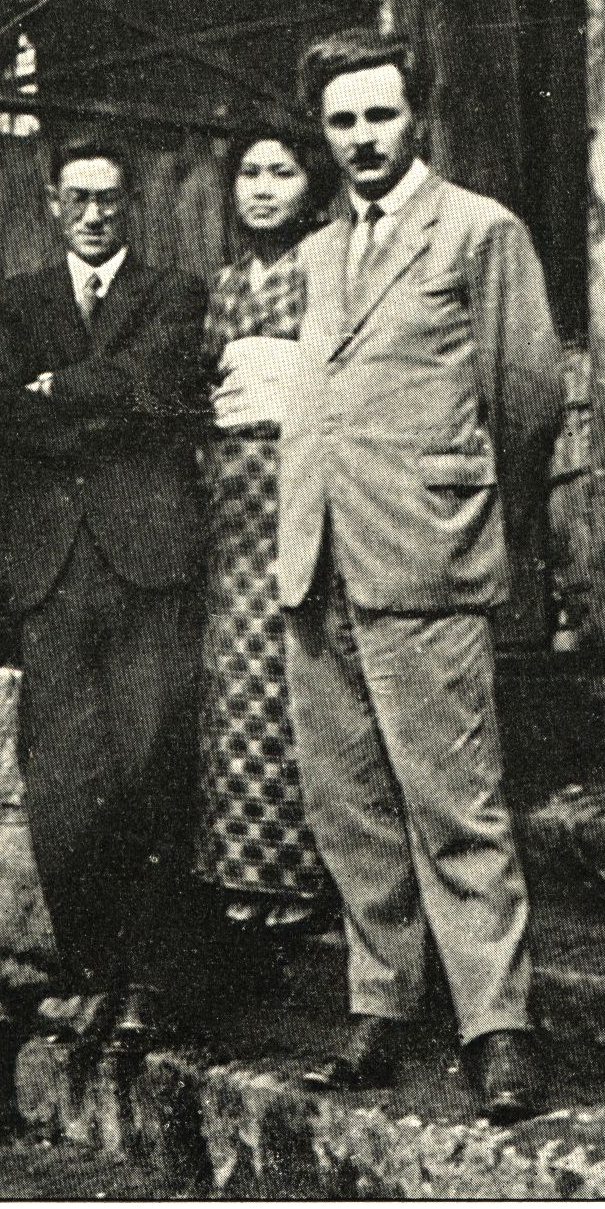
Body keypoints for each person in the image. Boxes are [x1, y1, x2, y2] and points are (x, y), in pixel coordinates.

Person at [274, 30, 564, 1124]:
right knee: (348, 804)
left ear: (417, 118)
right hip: (320, 559)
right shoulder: (318, 252)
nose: (361, 138)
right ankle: (380, 1006)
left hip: (425, 558)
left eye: (379, 115)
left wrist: (472, 519)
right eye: (341, 121)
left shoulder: (480, 231)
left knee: (456, 804)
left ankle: (498, 1027)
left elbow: (524, 397)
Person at [0, 132, 207, 1048]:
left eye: (109, 198)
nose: (95, 214)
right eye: (79, 198)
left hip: (147, 562)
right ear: (53, 205)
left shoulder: (173, 294)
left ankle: (150, 980)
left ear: (129, 204)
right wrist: (101, 405)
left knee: (152, 769)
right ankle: (90, 970)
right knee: (64, 782)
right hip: (54, 571)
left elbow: (157, 385)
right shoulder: (16, 301)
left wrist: (58, 388)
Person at [195, 120, 336, 937]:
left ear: (311, 185)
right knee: (238, 680)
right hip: (232, 495)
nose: (262, 188)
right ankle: (243, 869)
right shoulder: (223, 285)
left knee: (299, 674)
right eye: (250, 173)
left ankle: (306, 874)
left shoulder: (327, 266)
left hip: (300, 477)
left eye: (281, 172)